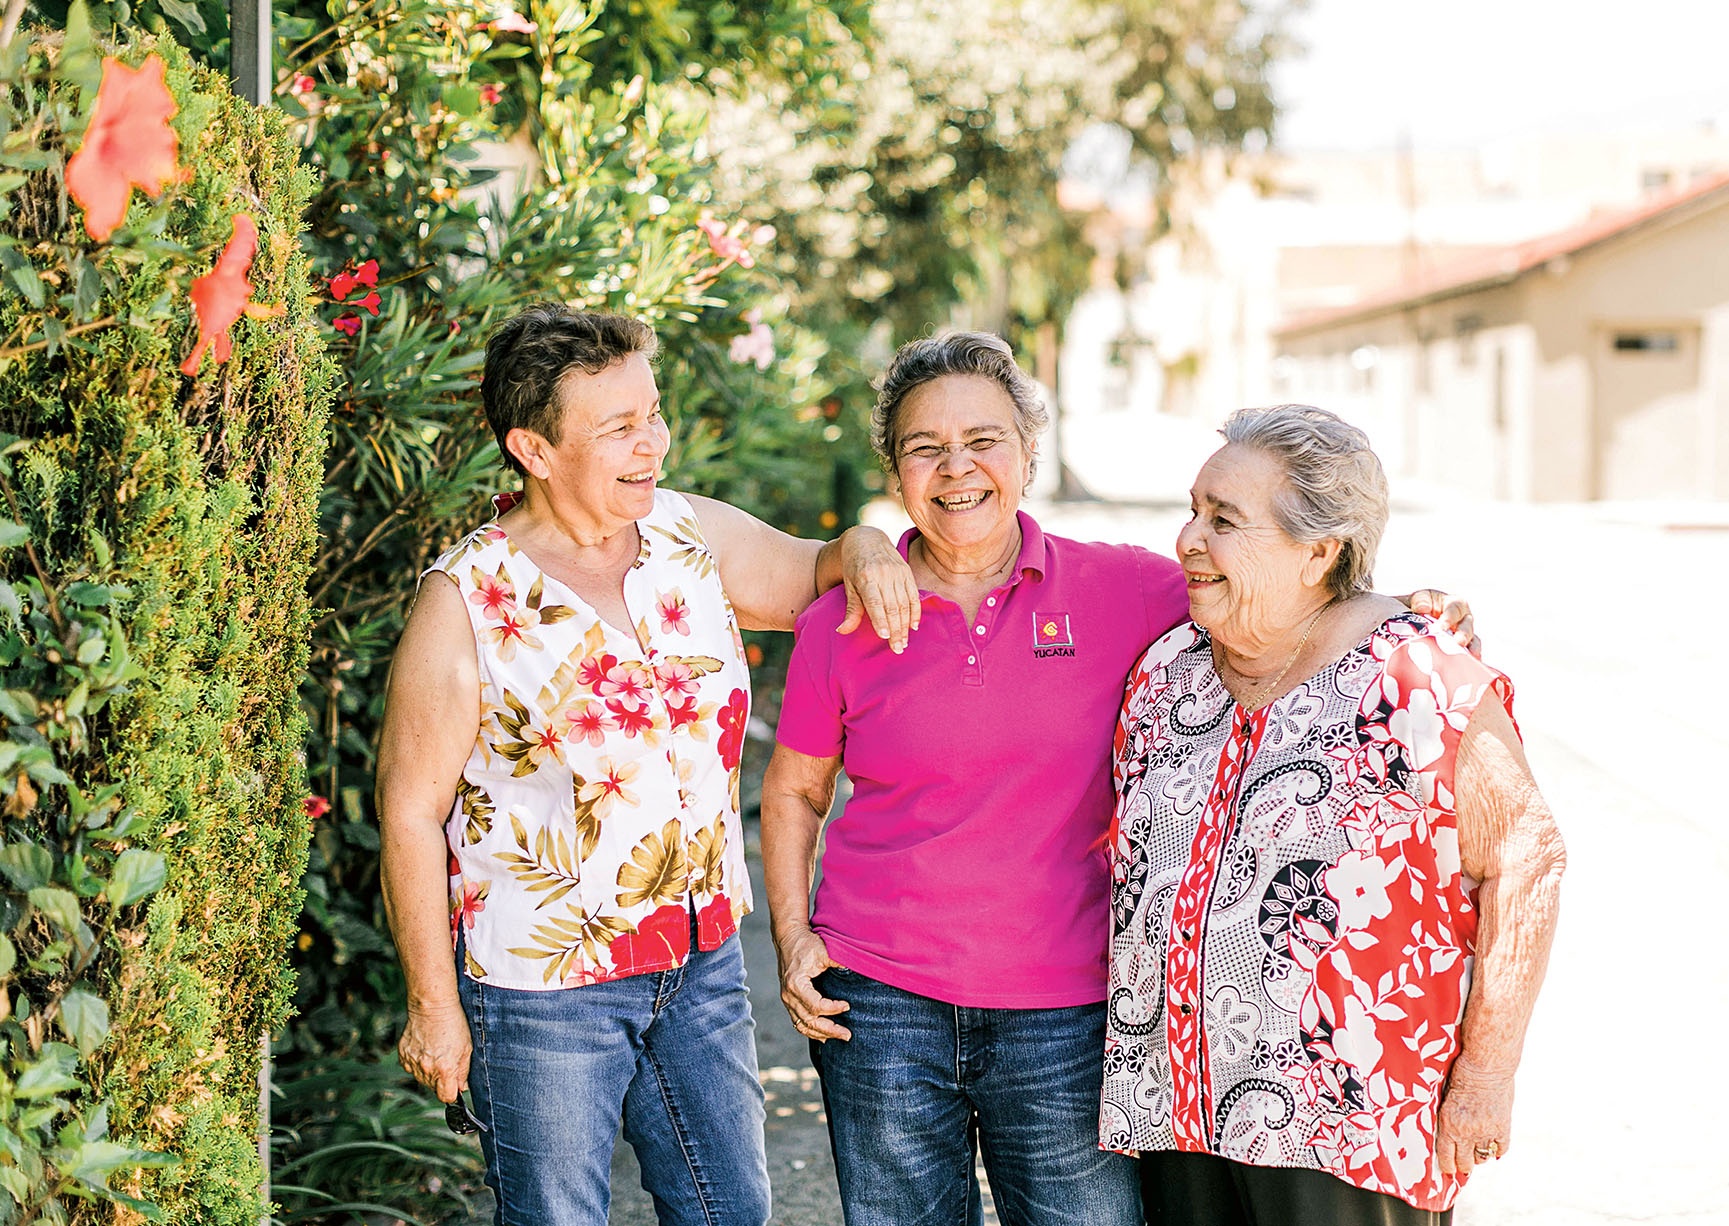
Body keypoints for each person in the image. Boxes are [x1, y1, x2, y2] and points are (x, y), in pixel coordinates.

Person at [760, 334, 1476, 1226]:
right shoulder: (846, 618)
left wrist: (1409, 608)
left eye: (984, 440)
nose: (957, 470)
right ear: (895, 470)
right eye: (924, 448)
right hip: (881, 1006)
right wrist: (795, 941)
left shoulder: (1128, 589)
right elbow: (793, 791)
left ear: (1027, 453)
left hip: (1069, 1011)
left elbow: (1282, 587)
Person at [376, 304, 918, 1226]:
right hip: (543, 993)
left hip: (701, 965)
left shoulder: (687, 536)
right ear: (533, 450)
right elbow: (409, 814)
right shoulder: (464, 599)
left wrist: (868, 542)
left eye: (652, 413)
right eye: (618, 427)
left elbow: (818, 572)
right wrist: (435, 1006)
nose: (652, 444)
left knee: (728, 1212)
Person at [1101, 405, 1566, 1226]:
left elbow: (1527, 859)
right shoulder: (1166, 674)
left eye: (1224, 521)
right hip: (1172, 1108)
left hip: (1348, 1122)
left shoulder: (1416, 675)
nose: (1187, 538)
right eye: (1194, 510)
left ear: (1319, 552)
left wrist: (1486, 1079)